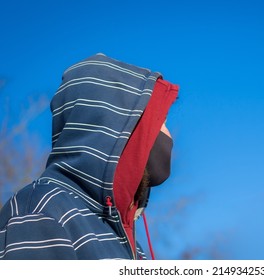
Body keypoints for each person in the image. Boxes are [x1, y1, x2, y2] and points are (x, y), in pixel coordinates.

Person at [0, 53, 179, 259]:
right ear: (120, 126)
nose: (169, 135)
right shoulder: (41, 212)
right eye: (161, 121)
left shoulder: (121, 236)